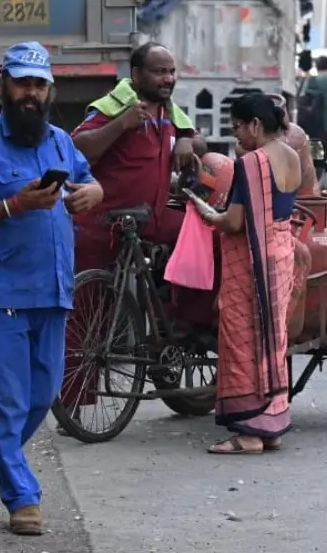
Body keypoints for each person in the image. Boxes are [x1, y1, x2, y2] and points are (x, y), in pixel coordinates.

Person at [0, 42, 102, 536]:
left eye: (38, 84)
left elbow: (87, 180)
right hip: (0, 298)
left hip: (52, 295)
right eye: (22, 83)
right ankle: (22, 495)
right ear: (3, 85)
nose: (30, 93)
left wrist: (94, 192)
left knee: (41, 398)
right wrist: (13, 205)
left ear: (49, 88)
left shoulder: (59, 142)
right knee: (5, 406)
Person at [66, 41, 213, 416]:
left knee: (207, 237)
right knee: (87, 312)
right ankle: (74, 405)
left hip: (154, 218)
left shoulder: (168, 110)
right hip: (104, 222)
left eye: (171, 71)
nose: (168, 79)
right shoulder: (115, 104)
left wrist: (185, 139)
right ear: (136, 76)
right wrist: (122, 124)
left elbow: (199, 138)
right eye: (159, 72)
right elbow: (76, 149)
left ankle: (184, 325)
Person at [196, 93, 298, 454]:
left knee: (241, 339)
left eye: (238, 127)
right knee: (273, 339)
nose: (236, 135)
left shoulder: (252, 163)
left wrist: (210, 216)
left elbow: (236, 221)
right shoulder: (293, 156)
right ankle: (271, 426)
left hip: (250, 263)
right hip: (282, 257)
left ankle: (249, 433)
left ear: (255, 125)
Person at [298, 55, 327, 157]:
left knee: (316, 158)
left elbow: (302, 101)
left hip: (315, 129)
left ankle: (317, 172)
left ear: (317, 67)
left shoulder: (310, 82)